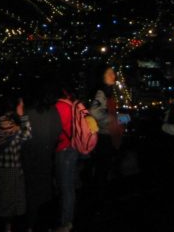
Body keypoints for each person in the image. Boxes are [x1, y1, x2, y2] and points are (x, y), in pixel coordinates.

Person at [20, 76, 62, 232]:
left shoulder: (28, 114)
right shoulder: (53, 111)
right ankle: (46, 225)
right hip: (46, 158)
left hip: (30, 161)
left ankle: (31, 226)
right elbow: (58, 132)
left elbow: (24, 138)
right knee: (46, 194)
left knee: (31, 197)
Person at [0, 94, 32, 232]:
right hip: (11, 169)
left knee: (5, 204)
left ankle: (7, 228)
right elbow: (27, 135)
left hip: (3, 168)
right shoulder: (10, 124)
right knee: (13, 205)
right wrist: (22, 115)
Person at [86, 64, 125, 201]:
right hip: (105, 138)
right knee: (103, 170)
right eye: (110, 74)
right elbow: (94, 112)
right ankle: (100, 200)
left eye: (113, 73)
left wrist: (122, 119)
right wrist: (113, 119)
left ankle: (101, 198)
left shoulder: (110, 92)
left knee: (105, 170)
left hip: (110, 136)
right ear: (102, 77)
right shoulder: (102, 92)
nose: (113, 76)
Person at [53, 85, 80, 232]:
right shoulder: (74, 105)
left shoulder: (59, 107)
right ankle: (68, 220)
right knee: (69, 187)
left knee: (65, 188)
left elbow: (56, 131)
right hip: (74, 148)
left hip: (63, 149)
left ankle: (65, 223)